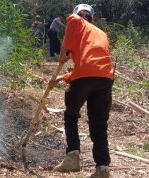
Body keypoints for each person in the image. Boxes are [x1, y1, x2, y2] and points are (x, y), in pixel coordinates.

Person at [50, 4, 114, 178]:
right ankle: (102, 168)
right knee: (98, 124)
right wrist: (63, 77)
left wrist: (63, 54)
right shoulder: (101, 34)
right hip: (105, 77)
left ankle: (72, 157)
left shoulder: (75, 20)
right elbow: (91, 67)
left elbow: (79, 65)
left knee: (71, 114)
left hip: (86, 76)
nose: (82, 17)